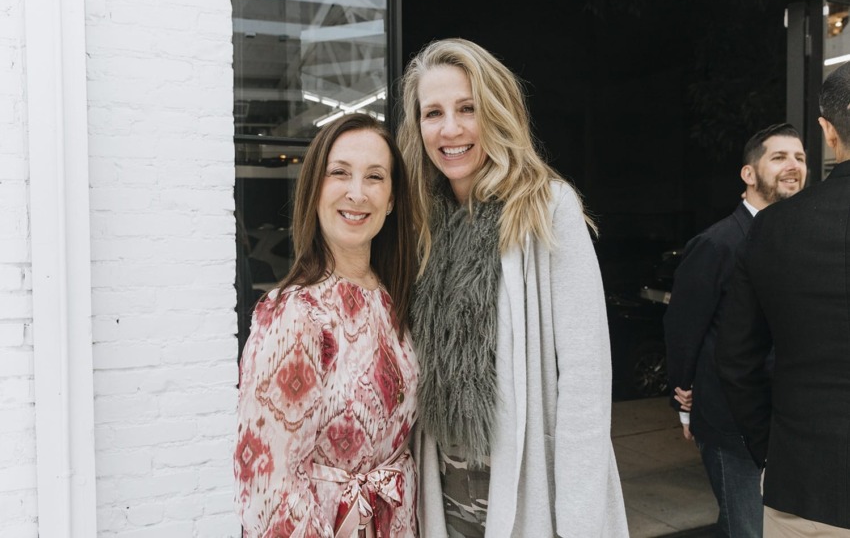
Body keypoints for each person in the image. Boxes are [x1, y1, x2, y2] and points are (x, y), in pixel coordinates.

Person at [398, 38, 628, 537]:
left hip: (525, 490)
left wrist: (579, 518)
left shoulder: (547, 207)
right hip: (441, 495)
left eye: (467, 108)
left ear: (497, 112)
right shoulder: (422, 223)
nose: (450, 128)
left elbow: (586, 379)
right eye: (432, 113)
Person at [233, 113, 419, 537]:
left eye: (375, 177)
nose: (357, 193)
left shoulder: (394, 298)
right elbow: (268, 486)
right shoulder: (294, 314)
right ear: (315, 186)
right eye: (340, 173)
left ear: (391, 199)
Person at [716, 61, 850, 535]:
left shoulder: (774, 228)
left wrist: (769, 448)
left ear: (827, 131)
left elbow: (735, 358)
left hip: (804, 483)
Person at [663, 123, 807, 537]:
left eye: (799, 157)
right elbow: (683, 326)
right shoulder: (717, 243)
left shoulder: (798, 238)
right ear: (748, 174)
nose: (792, 166)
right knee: (747, 529)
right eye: (779, 157)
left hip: (786, 420)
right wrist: (684, 397)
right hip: (729, 421)